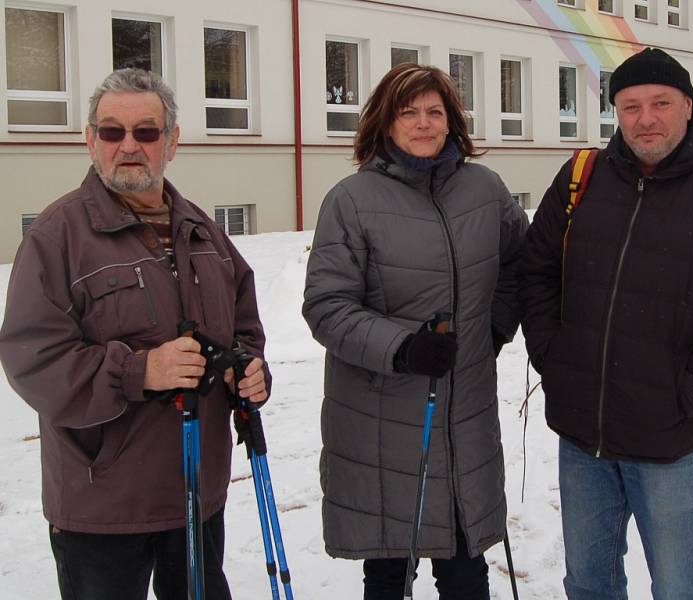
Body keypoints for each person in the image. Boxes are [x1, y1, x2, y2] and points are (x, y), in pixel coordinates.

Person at [518, 47, 693, 599]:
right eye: (630, 105)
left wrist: (689, 389)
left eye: (661, 103)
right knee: (589, 585)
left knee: (676, 588)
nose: (646, 118)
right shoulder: (581, 180)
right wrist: (556, 356)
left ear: (688, 106)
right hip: (583, 437)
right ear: (615, 112)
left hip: (674, 444)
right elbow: (536, 272)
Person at [0, 68, 270, 600]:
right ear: (89, 140)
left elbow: (244, 328)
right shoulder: (57, 237)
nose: (128, 146)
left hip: (195, 495)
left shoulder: (204, 230)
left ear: (171, 141)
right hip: (103, 505)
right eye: (111, 132)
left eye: (146, 132)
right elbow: (35, 359)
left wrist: (248, 368)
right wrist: (139, 370)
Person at [303, 63, 528, 599]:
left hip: (463, 414)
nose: (424, 124)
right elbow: (326, 306)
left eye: (435, 111)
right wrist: (402, 348)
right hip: (379, 419)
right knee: (388, 572)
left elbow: (522, 264)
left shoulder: (486, 189)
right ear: (385, 121)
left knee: (465, 566)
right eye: (409, 113)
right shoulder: (352, 200)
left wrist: (493, 327)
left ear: (452, 120)